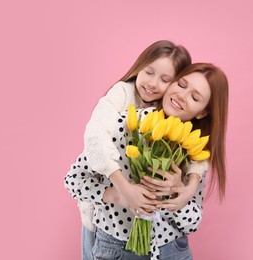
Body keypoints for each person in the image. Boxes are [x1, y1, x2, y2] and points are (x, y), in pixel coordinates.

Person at [64, 63, 229, 259]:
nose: (181, 96)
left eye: (195, 97)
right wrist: (120, 196)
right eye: (181, 85)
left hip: (172, 250)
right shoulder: (124, 125)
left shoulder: (195, 150)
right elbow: (74, 180)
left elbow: (192, 223)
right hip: (117, 248)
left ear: (202, 112)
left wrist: (174, 194)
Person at [78, 40, 192, 260]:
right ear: (139, 66)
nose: (152, 83)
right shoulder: (121, 95)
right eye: (148, 72)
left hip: (155, 238)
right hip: (102, 223)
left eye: (165, 80)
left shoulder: (170, 112)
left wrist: (192, 183)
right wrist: (125, 190)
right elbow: (95, 136)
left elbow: (196, 151)